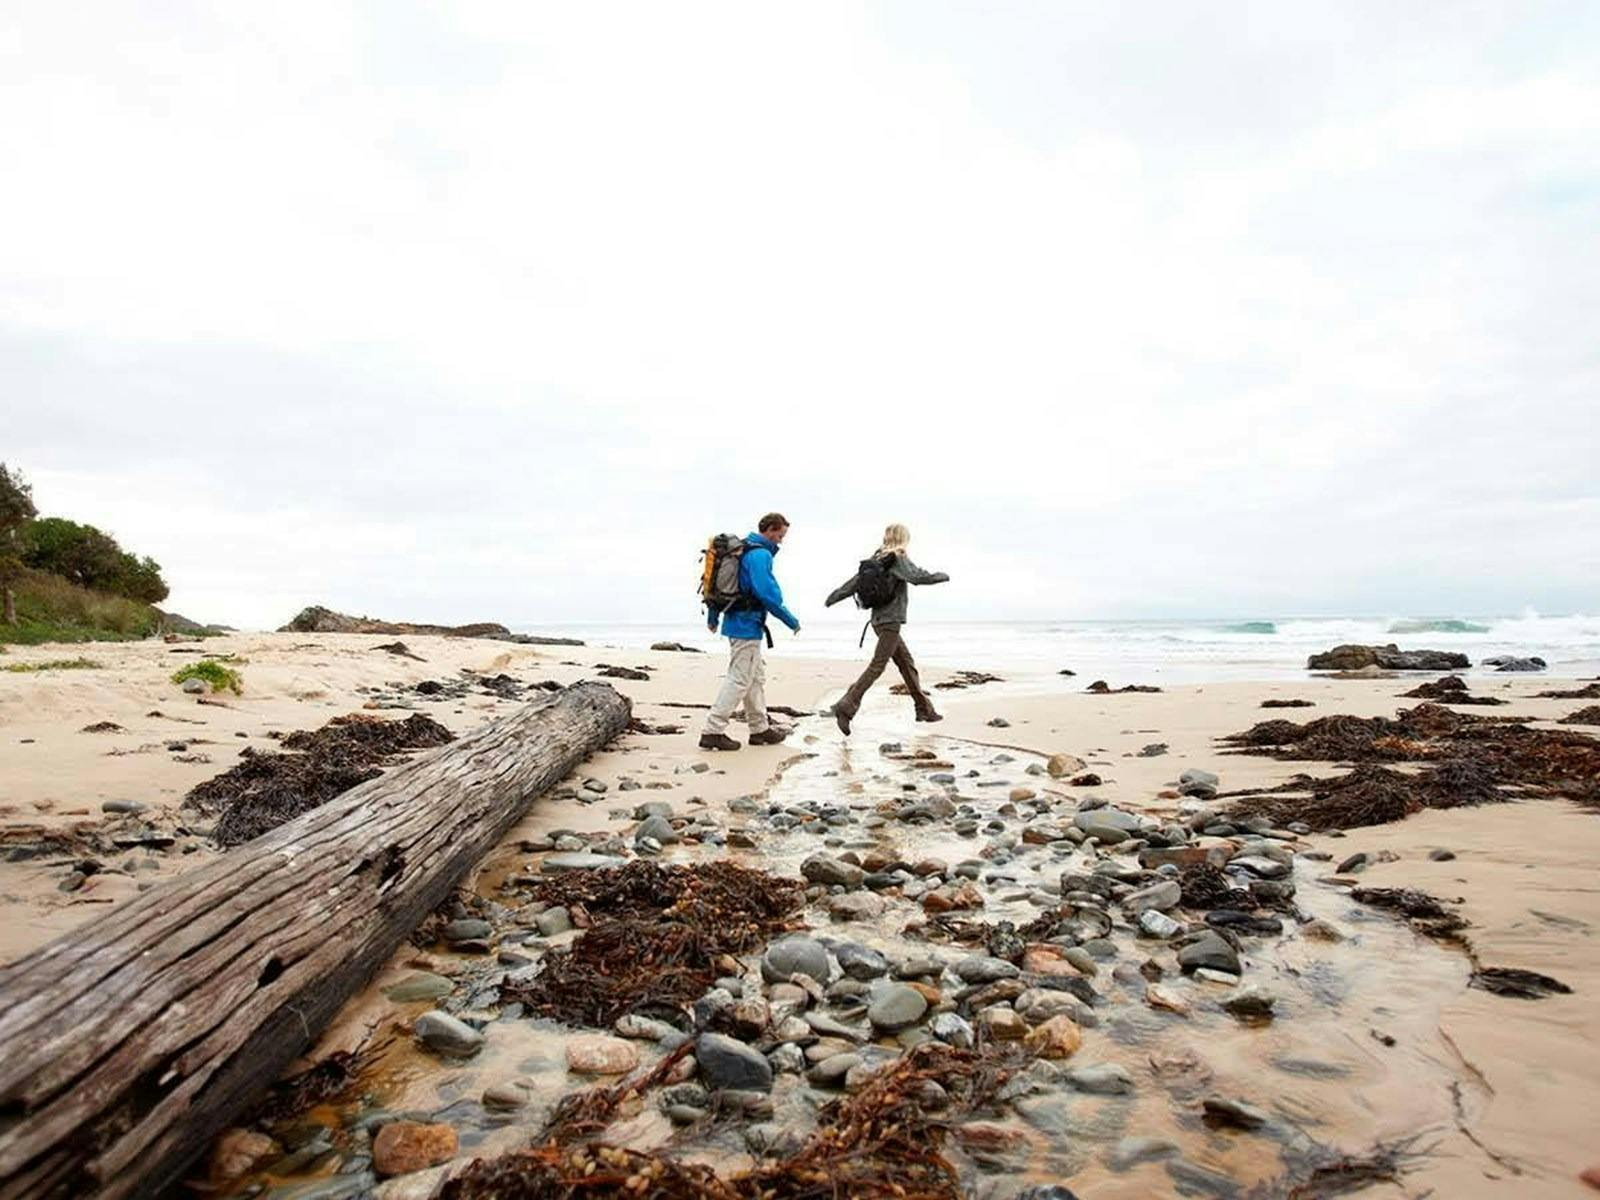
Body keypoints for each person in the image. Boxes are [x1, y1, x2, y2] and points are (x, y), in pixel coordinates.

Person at [826, 523, 949, 734]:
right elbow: (917, 577)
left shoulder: (877, 560)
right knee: (878, 665)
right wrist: (942, 576)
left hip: (878, 621)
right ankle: (847, 706)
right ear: (903, 539)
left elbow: (854, 583)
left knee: (906, 663)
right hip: (891, 621)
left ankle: (924, 708)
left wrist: (834, 597)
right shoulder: (898, 558)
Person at [699, 512, 801, 751]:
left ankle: (759, 729)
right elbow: (767, 593)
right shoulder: (759, 554)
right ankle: (712, 731)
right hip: (746, 625)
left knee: (754, 679)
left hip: (739, 622)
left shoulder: (742, 549)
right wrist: (790, 620)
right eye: (779, 534)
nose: (780, 540)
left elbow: (718, 587)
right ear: (769, 530)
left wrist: (714, 618)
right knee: (739, 679)